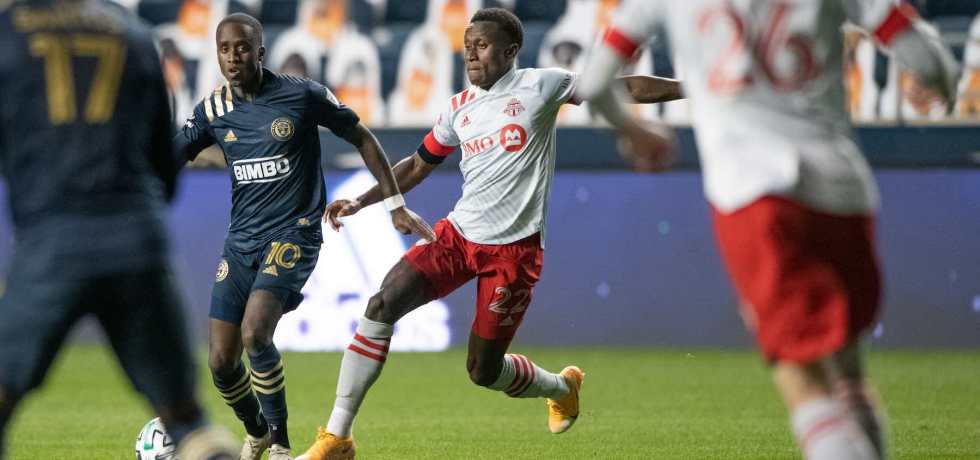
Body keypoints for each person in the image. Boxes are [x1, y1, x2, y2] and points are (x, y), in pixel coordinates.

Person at [575, 1, 960, 459]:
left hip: (755, 196)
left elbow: (595, 84)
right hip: (844, 189)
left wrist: (636, 133)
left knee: (805, 380)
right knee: (849, 371)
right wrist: (940, 85)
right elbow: (928, 59)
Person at [296, 8, 683, 460]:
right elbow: (418, 164)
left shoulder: (542, 86)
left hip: (514, 253)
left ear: (511, 50)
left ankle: (561, 388)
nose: (471, 56)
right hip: (458, 237)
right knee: (381, 304)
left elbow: (623, 88)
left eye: (481, 46)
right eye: (467, 47)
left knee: (483, 370)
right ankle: (338, 437)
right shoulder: (459, 107)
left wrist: (690, 87)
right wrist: (363, 201)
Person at [173, 12, 435, 460]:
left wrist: (395, 204)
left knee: (256, 332)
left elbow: (363, 137)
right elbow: (172, 155)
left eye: (242, 48)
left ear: (260, 52)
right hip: (241, 240)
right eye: (224, 49)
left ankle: (279, 444)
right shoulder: (213, 109)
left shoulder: (301, 95)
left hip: (294, 233)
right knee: (220, 362)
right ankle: (256, 431)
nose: (233, 57)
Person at [0, 1, 241, 459]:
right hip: (140, 241)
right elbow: (164, 169)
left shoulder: (7, 35)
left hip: (53, 242)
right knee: (188, 423)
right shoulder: (132, 33)